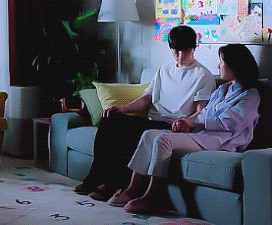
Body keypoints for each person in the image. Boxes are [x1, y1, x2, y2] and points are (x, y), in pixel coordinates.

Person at [106, 43, 261, 214]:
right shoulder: (222, 89)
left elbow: (231, 122)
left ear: (235, 65)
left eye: (221, 62)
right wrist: (186, 121)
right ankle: (131, 190)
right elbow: (204, 113)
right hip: (202, 135)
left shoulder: (250, 95)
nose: (218, 66)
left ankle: (152, 197)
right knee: (149, 135)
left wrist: (194, 124)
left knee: (163, 140)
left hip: (222, 141)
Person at [74, 25, 216, 201]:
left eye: (186, 51)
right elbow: (145, 99)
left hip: (172, 126)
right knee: (111, 118)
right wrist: (122, 109)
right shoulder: (164, 70)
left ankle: (114, 185)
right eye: (176, 51)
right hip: (153, 120)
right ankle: (94, 178)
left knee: (130, 131)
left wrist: (186, 122)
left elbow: (202, 112)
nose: (181, 56)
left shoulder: (203, 75)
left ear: (195, 47)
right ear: (171, 48)